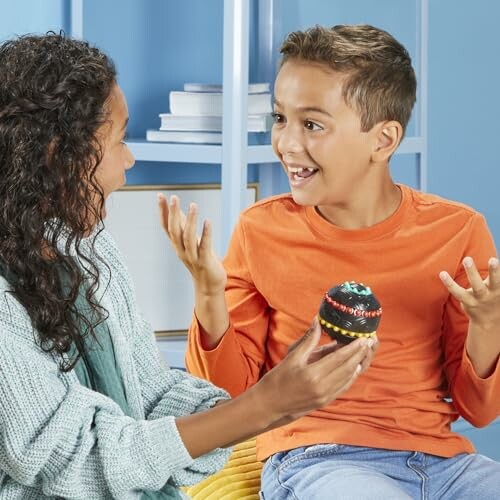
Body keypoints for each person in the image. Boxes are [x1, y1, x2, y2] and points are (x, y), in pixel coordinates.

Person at [0, 33, 376, 499]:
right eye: (118, 141)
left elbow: (149, 393)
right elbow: (78, 460)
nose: (130, 159)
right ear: (60, 157)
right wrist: (260, 407)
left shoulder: (86, 249)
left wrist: (278, 394)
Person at [160, 24, 500, 499]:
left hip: (446, 464)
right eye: (281, 118)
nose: (287, 143)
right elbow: (230, 396)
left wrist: (487, 328)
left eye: (312, 124)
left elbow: (479, 410)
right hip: (315, 458)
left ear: (382, 141)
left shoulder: (458, 232)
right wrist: (209, 295)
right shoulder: (262, 231)